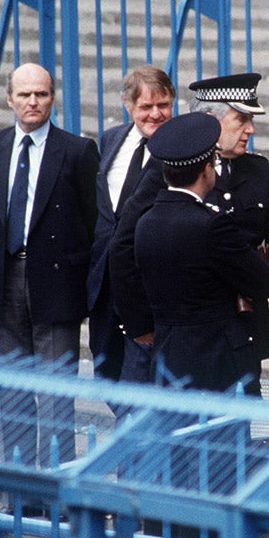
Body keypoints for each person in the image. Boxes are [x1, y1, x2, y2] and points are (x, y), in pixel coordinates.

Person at [110, 73, 269, 393]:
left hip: (244, 331)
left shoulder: (257, 170)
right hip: (186, 335)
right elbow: (123, 247)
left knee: (238, 428)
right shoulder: (170, 169)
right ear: (208, 121)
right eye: (241, 120)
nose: (250, 130)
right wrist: (141, 325)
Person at [0, 63, 99, 469]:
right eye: (25, 94)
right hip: (4, 275)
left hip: (56, 281)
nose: (33, 102)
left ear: (53, 98)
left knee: (56, 393)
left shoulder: (77, 150)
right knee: (12, 390)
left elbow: (91, 217)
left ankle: (55, 493)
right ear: (9, 99)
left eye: (41, 94)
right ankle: (19, 489)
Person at [133, 112, 269, 393]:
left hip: (169, 359)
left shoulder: (145, 223)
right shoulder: (213, 225)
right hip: (218, 362)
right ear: (206, 170)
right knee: (226, 437)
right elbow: (264, 282)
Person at [87, 66, 175, 384]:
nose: (155, 114)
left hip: (148, 284)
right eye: (146, 107)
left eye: (163, 105)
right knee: (106, 374)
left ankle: (137, 433)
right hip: (105, 281)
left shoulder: (180, 149)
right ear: (128, 105)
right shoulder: (112, 139)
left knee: (145, 376)